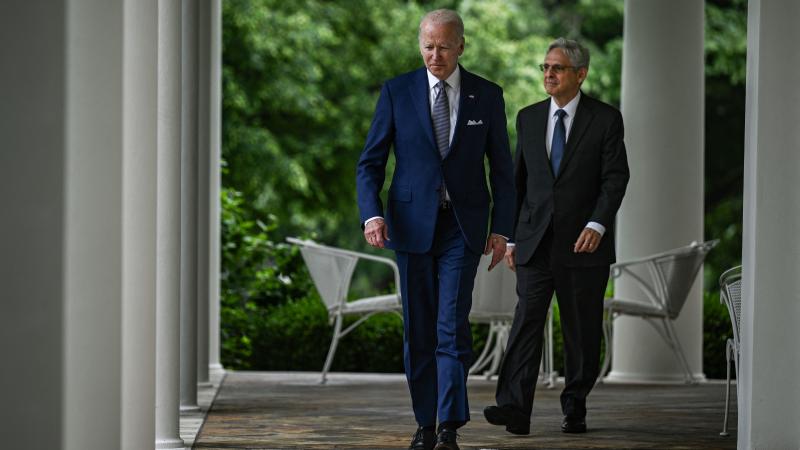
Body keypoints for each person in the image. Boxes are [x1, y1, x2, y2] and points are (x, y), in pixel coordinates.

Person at [356, 9, 515, 450]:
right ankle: (424, 422)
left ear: (461, 45)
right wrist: (372, 215)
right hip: (409, 227)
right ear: (420, 44)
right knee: (419, 331)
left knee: (451, 327)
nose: (435, 55)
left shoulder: (487, 95)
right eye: (428, 45)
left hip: (462, 229)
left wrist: (504, 229)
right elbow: (370, 163)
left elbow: (502, 170)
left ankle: (448, 426)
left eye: (444, 46)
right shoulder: (396, 92)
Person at [483, 38, 629, 435]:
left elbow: (615, 179)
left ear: (580, 75)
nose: (548, 74)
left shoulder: (606, 119)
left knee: (581, 329)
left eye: (558, 68)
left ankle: (575, 404)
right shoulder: (528, 117)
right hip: (534, 241)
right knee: (526, 321)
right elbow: (517, 182)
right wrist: (511, 237)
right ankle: (515, 408)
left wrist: (598, 224)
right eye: (546, 67)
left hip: (584, 244)